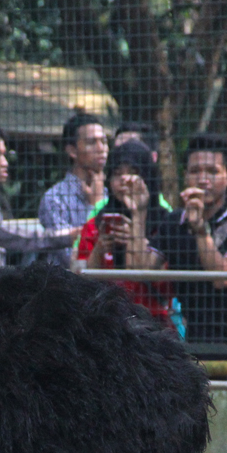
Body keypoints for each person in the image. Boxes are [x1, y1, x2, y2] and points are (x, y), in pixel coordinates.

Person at [148, 134, 227, 346]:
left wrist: (200, 232)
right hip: (195, 342)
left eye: (213, 172)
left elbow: (222, 278)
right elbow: (143, 269)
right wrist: (138, 211)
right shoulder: (174, 221)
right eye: (195, 171)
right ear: (185, 176)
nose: (203, 180)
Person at [73, 139, 178, 331]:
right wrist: (100, 248)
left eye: (133, 172)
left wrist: (139, 217)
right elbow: (80, 278)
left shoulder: (168, 222)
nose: (124, 180)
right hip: (105, 323)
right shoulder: (96, 224)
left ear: (148, 176)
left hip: (153, 323)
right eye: (117, 173)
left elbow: (156, 278)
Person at [36, 113, 110, 268]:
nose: (101, 148)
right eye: (91, 142)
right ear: (72, 151)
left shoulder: (110, 194)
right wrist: (94, 206)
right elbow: (73, 261)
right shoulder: (54, 199)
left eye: (104, 141)